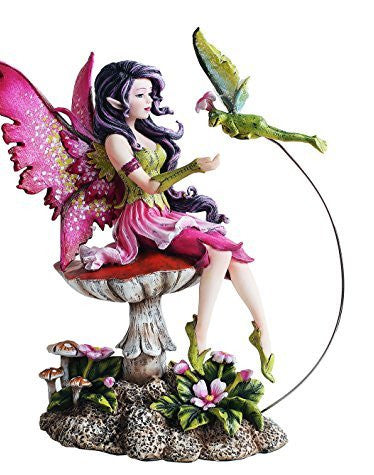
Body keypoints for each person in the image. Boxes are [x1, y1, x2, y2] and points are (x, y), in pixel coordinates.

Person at [79, 60, 275, 382]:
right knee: (218, 252)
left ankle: (262, 332)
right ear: (116, 100)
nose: (149, 101)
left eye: (149, 94)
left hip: (163, 213)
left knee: (233, 253)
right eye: (140, 94)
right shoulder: (116, 141)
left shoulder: (142, 131)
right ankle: (200, 337)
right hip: (142, 219)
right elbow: (149, 185)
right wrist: (193, 168)